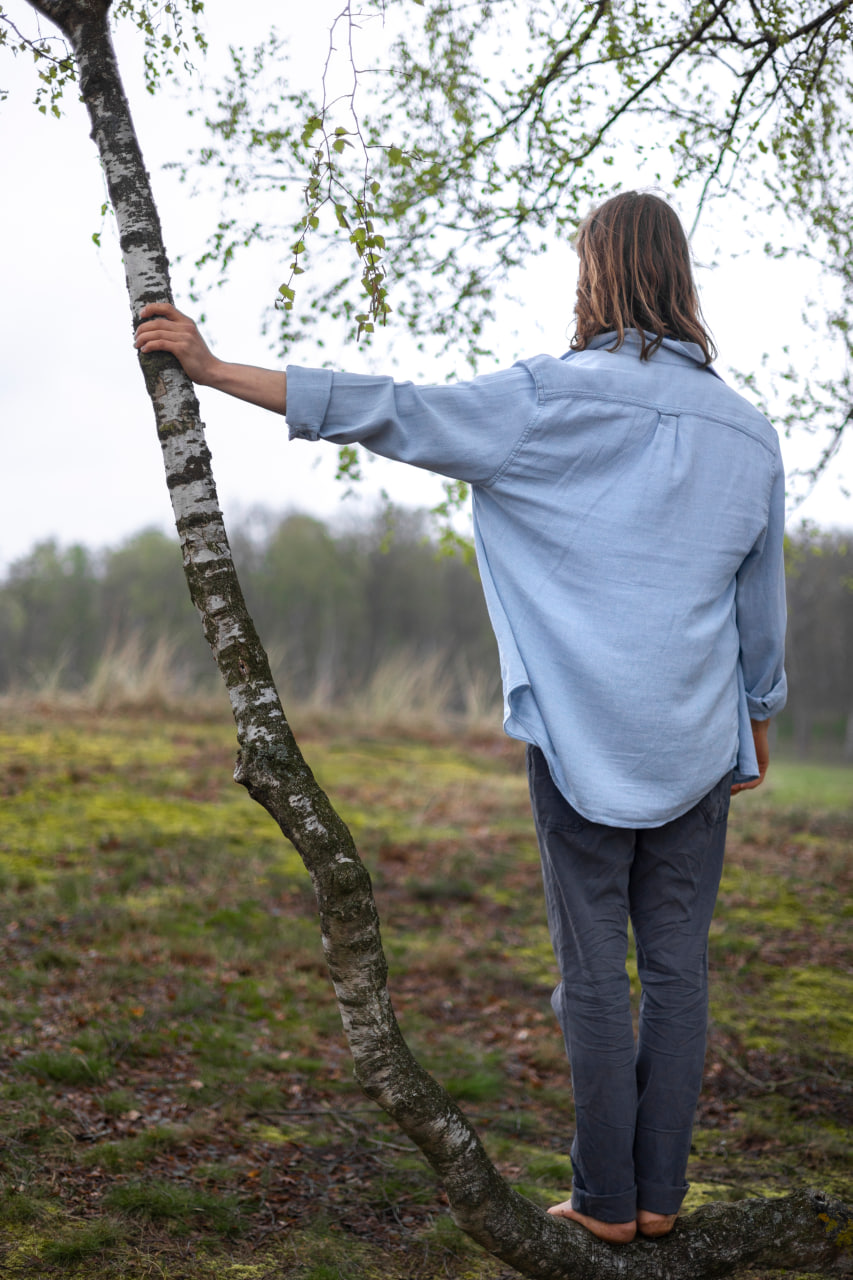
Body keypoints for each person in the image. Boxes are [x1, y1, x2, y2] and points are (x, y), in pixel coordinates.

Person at [135, 191, 787, 1245]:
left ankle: (607, 1204)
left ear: (593, 274)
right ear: (682, 277)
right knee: (677, 969)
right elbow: (760, 606)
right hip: (695, 740)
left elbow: (386, 406)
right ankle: (661, 1195)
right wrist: (755, 723)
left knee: (593, 973)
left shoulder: (543, 400)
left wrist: (214, 370)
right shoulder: (747, 431)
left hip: (582, 737)